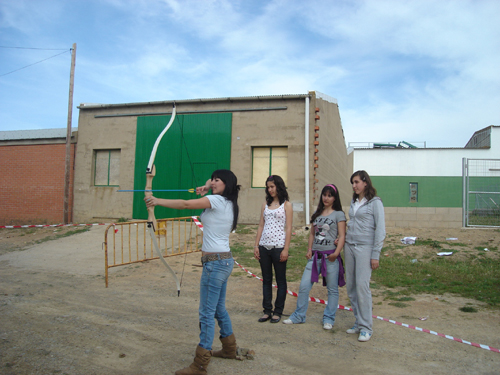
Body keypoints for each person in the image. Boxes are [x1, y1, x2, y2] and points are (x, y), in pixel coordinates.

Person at [145, 169, 241, 375]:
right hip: (223, 261)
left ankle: (200, 364)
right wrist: (208, 184)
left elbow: (186, 204)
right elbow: (211, 181)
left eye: (217, 180)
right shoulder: (228, 202)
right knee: (218, 309)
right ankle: (229, 349)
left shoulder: (216, 200)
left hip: (215, 263)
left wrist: (156, 201)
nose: (213, 182)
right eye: (213, 179)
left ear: (227, 185)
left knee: (206, 312)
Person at [283, 184, 346, 330]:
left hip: (330, 258)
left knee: (332, 289)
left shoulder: (339, 214)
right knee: (304, 286)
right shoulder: (317, 214)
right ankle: (299, 316)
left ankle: (329, 318)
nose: (326, 198)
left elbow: (342, 235)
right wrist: (309, 249)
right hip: (315, 257)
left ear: (335, 198)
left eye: (330, 195)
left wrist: (336, 253)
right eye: (324, 195)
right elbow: (312, 233)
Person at [344, 170, 386, 342]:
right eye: (352, 183)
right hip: (349, 247)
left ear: (365, 183)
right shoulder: (354, 202)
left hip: (365, 248)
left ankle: (366, 327)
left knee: (362, 286)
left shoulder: (375, 203)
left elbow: (380, 230)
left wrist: (375, 254)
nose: (354, 186)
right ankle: (358, 322)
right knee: (351, 287)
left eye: (356, 182)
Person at [253, 175, 293, 324]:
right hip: (264, 246)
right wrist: (256, 245)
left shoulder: (286, 205)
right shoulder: (265, 205)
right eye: (268, 187)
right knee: (266, 280)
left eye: (272, 186)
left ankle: (278, 311)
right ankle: (267, 310)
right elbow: (260, 225)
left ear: (279, 186)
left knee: (281, 280)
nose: (270, 190)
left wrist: (286, 249)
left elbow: (289, 228)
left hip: (278, 247)